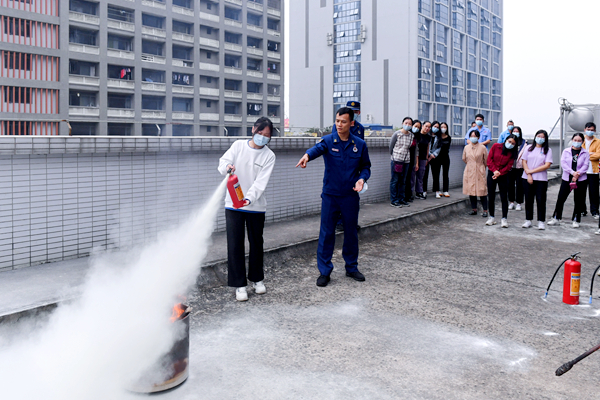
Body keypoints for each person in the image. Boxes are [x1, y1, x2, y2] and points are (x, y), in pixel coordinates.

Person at [296, 107, 371, 287]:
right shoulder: (329, 141)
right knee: (327, 233)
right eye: (337, 121)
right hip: (331, 196)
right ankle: (324, 271)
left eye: (343, 121)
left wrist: (362, 179)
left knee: (351, 233)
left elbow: (366, 167)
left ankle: (351, 267)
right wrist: (306, 155)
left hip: (350, 197)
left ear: (351, 123)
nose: (339, 124)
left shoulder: (359, 144)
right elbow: (316, 149)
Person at [218, 117, 276, 302]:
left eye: (266, 135)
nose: (262, 137)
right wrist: (227, 167)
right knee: (235, 244)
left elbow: (261, 182)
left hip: (256, 206)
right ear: (253, 130)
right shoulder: (238, 146)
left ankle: (257, 280)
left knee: (256, 243)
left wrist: (248, 198)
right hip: (233, 205)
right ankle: (239, 285)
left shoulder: (269, 156)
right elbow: (223, 161)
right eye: (260, 133)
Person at [547, 133, 590, 228]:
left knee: (579, 200)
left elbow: (586, 165)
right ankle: (556, 217)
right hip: (567, 178)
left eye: (579, 140)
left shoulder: (585, 153)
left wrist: (578, 174)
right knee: (561, 198)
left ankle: (576, 219)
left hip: (581, 179)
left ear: (582, 142)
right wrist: (572, 173)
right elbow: (564, 164)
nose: (577, 142)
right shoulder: (566, 151)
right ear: (572, 140)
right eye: (575, 140)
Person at [521, 130, 553, 230]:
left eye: (542, 137)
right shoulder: (528, 148)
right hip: (527, 177)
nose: (540, 138)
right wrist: (528, 173)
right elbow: (524, 161)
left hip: (541, 179)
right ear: (535, 137)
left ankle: (541, 221)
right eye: (538, 136)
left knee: (541, 200)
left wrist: (532, 171)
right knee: (528, 199)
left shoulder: (548, 150)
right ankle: (528, 220)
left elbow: (547, 165)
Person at [485, 135, 518, 228]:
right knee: (491, 196)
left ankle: (504, 218)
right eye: (509, 141)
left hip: (503, 175)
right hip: (492, 173)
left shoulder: (512, 153)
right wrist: (495, 171)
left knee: (504, 197)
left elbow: (509, 165)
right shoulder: (496, 146)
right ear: (506, 140)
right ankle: (491, 217)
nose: (510, 144)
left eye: (513, 143)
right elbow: (489, 160)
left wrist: (500, 173)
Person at [463, 130, 489, 216]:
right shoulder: (466, 147)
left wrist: (481, 167)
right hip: (469, 170)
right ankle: (474, 209)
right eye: (471, 136)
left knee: (482, 191)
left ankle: (485, 210)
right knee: (471, 191)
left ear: (478, 137)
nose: (473, 138)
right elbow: (464, 159)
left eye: (475, 136)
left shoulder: (482, 147)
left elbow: (486, 160)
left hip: (479, 169)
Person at [389, 117, 414, 207]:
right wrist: (394, 156)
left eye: (409, 124)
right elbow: (391, 147)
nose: (407, 125)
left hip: (406, 160)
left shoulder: (411, 135)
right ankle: (394, 200)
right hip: (396, 160)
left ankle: (401, 199)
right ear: (402, 123)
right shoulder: (397, 134)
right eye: (406, 123)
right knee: (395, 180)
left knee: (403, 181)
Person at [582, 122, 600, 219]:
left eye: (592, 130)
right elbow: (578, 154)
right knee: (581, 192)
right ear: (585, 130)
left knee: (594, 193)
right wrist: (591, 154)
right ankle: (582, 210)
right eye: (588, 130)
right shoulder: (581, 140)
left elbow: (598, 154)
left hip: (593, 171)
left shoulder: (598, 142)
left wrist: (586, 155)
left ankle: (595, 211)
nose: (590, 131)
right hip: (582, 171)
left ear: (595, 131)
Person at [429, 122, 451, 198]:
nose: (443, 129)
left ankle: (445, 190)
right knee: (436, 175)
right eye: (441, 127)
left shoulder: (449, 137)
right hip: (436, 157)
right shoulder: (437, 137)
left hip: (446, 157)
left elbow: (448, 148)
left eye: (445, 127)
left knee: (445, 174)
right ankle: (437, 190)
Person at [507, 126, 527, 211]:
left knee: (520, 185)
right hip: (511, 167)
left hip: (520, 168)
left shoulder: (524, 143)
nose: (515, 132)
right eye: (514, 131)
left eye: (517, 131)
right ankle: (511, 202)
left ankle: (519, 203)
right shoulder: (509, 142)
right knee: (510, 185)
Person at [404, 120, 421, 202]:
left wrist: (417, 163)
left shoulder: (416, 137)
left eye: (418, 127)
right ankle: (402, 196)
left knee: (410, 179)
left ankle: (409, 195)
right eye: (415, 126)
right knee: (403, 178)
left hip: (412, 160)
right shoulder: (406, 135)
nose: (416, 128)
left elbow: (417, 151)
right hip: (404, 159)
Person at [422, 121, 440, 196]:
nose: (435, 128)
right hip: (427, 156)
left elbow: (439, 147)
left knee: (436, 175)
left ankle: (437, 191)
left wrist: (433, 155)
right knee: (425, 174)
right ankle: (424, 191)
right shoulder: (427, 136)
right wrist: (429, 154)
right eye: (434, 126)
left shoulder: (439, 137)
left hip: (435, 157)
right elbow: (426, 146)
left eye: (437, 127)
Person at [414, 121, 431, 199]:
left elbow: (427, 147)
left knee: (421, 176)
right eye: (426, 126)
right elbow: (416, 149)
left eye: (429, 127)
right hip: (415, 157)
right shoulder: (417, 135)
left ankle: (419, 192)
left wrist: (427, 158)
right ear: (423, 126)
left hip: (423, 158)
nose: (427, 128)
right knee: (412, 176)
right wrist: (416, 162)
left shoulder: (428, 137)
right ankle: (411, 193)